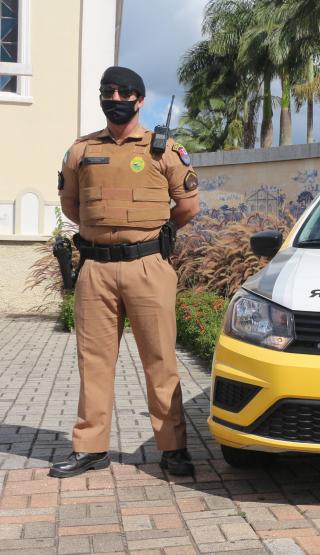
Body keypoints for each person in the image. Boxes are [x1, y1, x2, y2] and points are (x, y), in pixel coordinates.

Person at [51, 66, 200, 478]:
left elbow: (187, 207)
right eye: (107, 92)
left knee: (160, 360)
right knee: (93, 361)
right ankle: (90, 447)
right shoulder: (81, 151)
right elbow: (71, 206)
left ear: (139, 99)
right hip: (96, 268)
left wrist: (151, 236)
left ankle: (172, 449)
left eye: (123, 92)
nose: (114, 99)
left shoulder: (162, 150)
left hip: (148, 267)